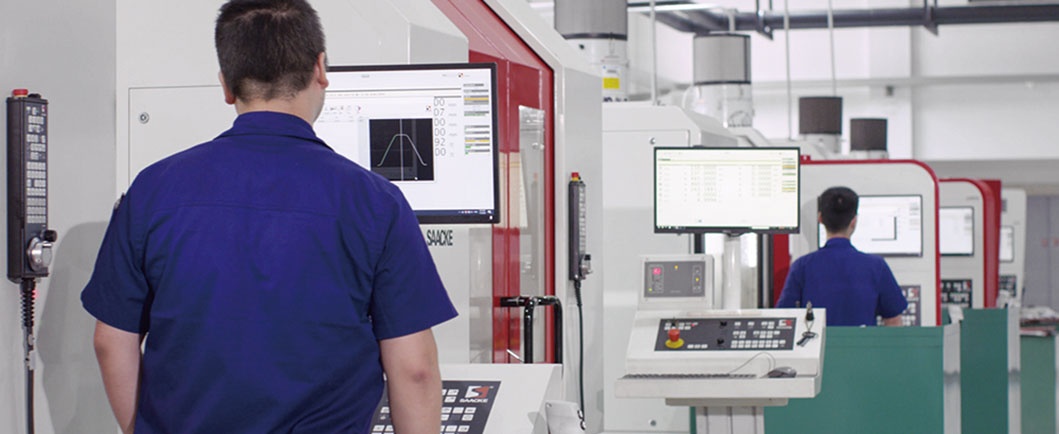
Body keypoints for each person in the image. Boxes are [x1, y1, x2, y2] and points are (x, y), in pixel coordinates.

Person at [81, 1, 457, 432]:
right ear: (320, 68)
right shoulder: (376, 202)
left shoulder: (153, 189)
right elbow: (415, 370)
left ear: (227, 85)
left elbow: (110, 340)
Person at [777, 186, 908, 327]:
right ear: (854, 221)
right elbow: (894, 321)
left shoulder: (801, 267)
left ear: (820, 218)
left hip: (817, 342)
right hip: (862, 342)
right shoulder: (877, 266)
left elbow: (785, 318)